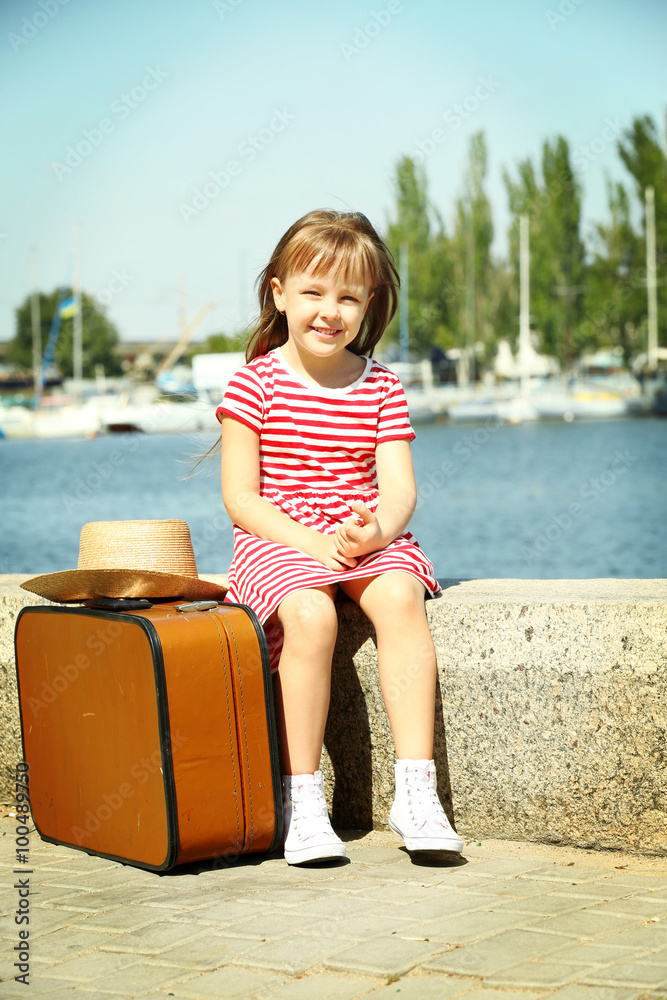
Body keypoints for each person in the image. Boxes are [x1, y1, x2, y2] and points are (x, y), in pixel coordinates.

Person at [217, 209, 463, 864]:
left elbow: (399, 491)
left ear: (368, 304)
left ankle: (415, 791)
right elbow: (240, 498)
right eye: (313, 293)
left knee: (401, 599)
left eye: (348, 297)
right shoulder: (255, 382)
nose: (330, 311)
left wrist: (374, 530)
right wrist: (306, 542)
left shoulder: (379, 385)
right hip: (279, 536)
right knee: (309, 614)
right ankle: (302, 798)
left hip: (359, 532)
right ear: (278, 292)